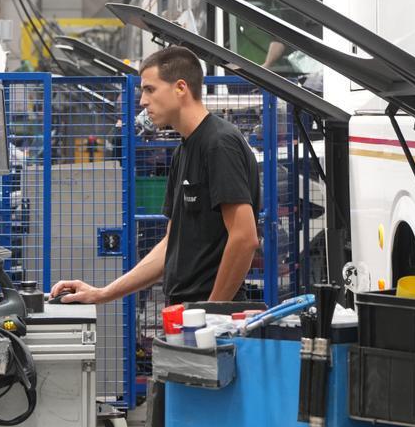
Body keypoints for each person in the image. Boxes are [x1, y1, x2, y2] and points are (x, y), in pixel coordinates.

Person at [51, 46, 261, 305]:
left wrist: (211, 315)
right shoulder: (183, 151)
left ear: (181, 88)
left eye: (150, 89)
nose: (142, 101)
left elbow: (244, 238)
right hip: (185, 312)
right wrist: (102, 293)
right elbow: (169, 247)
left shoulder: (219, 144)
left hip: (208, 319)